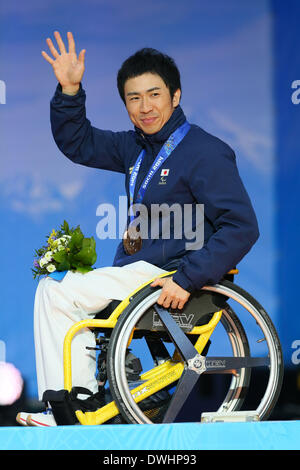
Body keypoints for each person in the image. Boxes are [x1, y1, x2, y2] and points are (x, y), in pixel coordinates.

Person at [17, 31, 259, 427]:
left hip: (172, 275)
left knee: (57, 290)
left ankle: (73, 405)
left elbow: (242, 226)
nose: (145, 107)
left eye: (155, 94)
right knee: (55, 286)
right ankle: (68, 402)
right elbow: (78, 143)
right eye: (134, 98)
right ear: (126, 105)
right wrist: (69, 90)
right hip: (140, 274)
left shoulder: (205, 152)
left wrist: (188, 278)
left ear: (175, 96)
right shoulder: (136, 148)